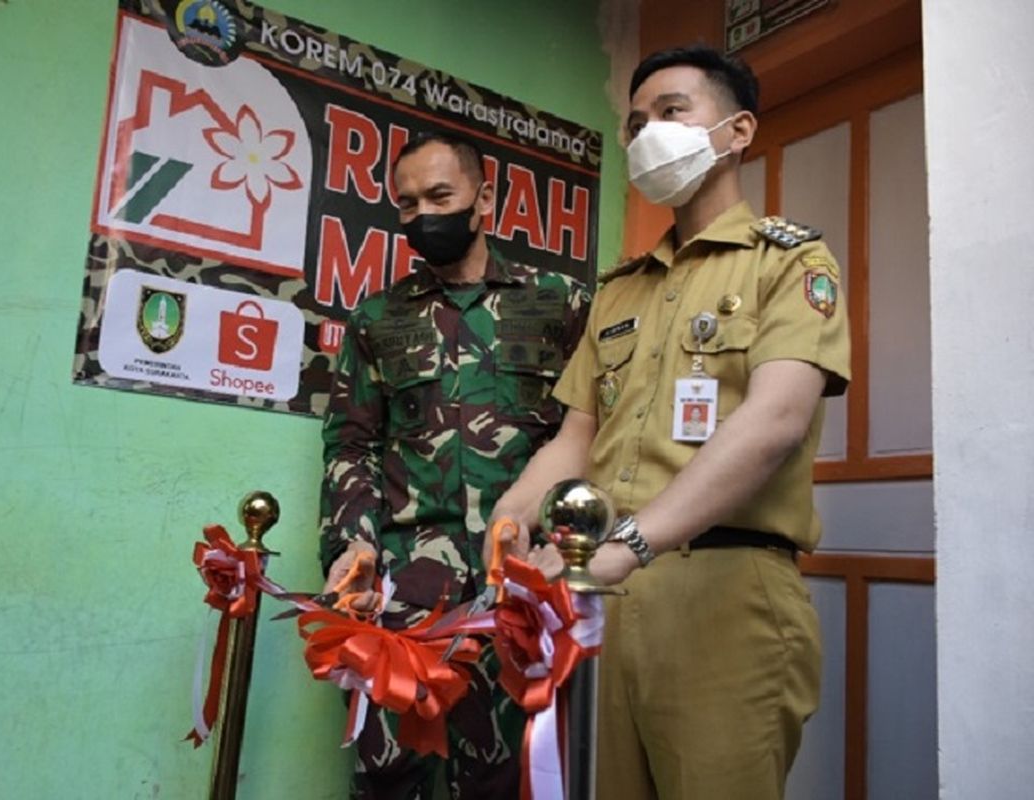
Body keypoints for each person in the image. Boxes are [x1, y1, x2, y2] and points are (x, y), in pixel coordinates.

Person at [492, 45, 850, 800]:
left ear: (738, 129)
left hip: (727, 591)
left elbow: (777, 420)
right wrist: (511, 518)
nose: (647, 132)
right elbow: (577, 437)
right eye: (635, 121)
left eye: (671, 111)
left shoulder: (787, 262)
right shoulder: (619, 292)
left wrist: (630, 543)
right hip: (602, 600)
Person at [318, 130, 590, 799]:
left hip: (521, 590)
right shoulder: (377, 319)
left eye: (440, 195)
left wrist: (565, 561)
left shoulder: (560, 303)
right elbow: (352, 445)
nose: (423, 215)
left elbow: (593, 439)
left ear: (484, 198)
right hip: (403, 590)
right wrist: (352, 545)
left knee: (503, 774)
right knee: (388, 775)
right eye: (407, 204)